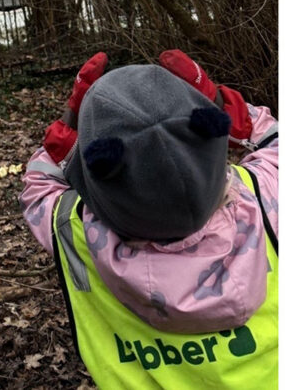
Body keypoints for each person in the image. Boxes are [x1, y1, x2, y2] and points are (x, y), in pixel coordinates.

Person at [20, 50, 277, 389]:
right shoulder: (261, 196)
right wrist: (218, 101)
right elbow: (273, 139)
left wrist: (70, 124)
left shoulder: (75, 231)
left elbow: (38, 185)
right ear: (209, 134)